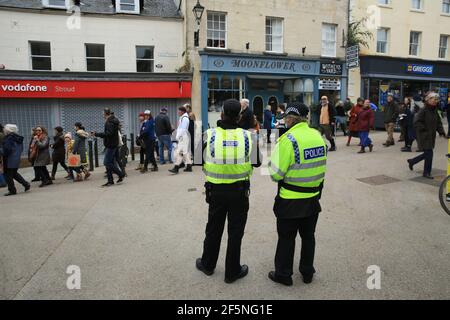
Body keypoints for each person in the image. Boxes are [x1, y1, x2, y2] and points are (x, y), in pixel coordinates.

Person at [196, 99, 261, 284]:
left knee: (213, 229)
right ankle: (232, 272)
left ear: (221, 115)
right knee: (235, 232)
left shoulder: (208, 135)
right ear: (240, 116)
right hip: (239, 193)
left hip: (215, 192)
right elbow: (257, 162)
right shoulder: (249, 137)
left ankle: (208, 265)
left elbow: (198, 160)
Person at [267, 102, 327, 286]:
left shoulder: (287, 140)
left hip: (291, 200)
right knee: (308, 237)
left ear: (291, 119)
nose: (284, 121)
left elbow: (275, 175)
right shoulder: (317, 136)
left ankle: (284, 275)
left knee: (287, 238)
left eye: (285, 118)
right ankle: (307, 272)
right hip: (313, 198)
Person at [407, 92, 446, 179]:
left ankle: (412, 161)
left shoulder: (435, 110)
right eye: (434, 99)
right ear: (428, 100)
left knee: (427, 154)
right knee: (429, 154)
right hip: (424, 136)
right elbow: (416, 122)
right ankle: (426, 172)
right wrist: (424, 130)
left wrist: (441, 132)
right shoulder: (423, 110)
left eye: (437, 99)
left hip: (431, 136)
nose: (436, 101)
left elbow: (438, 123)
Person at [92, 108, 125, 187]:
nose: (102, 115)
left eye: (103, 113)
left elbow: (109, 133)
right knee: (109, 163)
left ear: (105, 113)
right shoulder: (113, 120)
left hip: (111, 145)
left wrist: (97, 134)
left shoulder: (109, 122)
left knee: (106, 162)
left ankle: (120, 174)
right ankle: (110, 181)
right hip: (114, 144)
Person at [0, 124, 30, 196]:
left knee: (8, 176)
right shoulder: (17, 137)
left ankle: (12, 190)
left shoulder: (8, 138)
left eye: (5, 129)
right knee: (14, 174)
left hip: (9, 159)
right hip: (15, 158)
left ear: (8, 130)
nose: (4, 130)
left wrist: (0, 150)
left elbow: (7, 150)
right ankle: (26, 184)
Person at [169, 106, 193, 174]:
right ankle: (189, 166)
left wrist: (178, 137)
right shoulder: (183, 118)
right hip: (183, 137)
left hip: (183, 137)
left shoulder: (184, 119)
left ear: (182, 111)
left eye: (179, 111)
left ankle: (176, 167)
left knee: (179, 152)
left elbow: (183, 129)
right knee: (184, 152)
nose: (178, 112)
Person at [0, 123, 6, 188]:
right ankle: (4, 181)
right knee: (2, 167)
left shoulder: (0, 134)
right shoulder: (3, 133)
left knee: (1, 168)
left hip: (1, 151)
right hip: (3, 151)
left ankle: (2, 182)